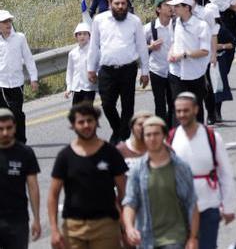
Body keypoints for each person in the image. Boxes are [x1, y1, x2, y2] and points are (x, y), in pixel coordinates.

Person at [48, 103, 128, 249]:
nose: (86, 125)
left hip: (106, 224)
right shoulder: (65, 156)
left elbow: (124, 192)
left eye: (90, 120)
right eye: (81, 122)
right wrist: (54, 230)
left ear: (96, 122)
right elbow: (53, 195)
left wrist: (125, 226)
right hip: (73, 227)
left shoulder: (110, 152)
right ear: (73, 125)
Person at [121, 116, 200, 249]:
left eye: (156, 134)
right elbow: (130, 202)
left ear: (164, 135)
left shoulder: (180, 167)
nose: (152, 138)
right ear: (143, 138)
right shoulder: (137, 169)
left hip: (176, 238)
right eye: (148, 135)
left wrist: (193, 238)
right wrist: (129, 228)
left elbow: (192, 203)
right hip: (147, 240)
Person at [169, 94, 236, 249]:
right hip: (180, 208)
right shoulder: (172, 137)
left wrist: (228, 206)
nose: (182, 115)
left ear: (196, 110)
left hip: (209, 205)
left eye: (186, 110)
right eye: (178, 111)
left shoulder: (212, 136)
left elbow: (225, 173)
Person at [87, 0, 149, 144]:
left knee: (128, 106)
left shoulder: (134, 21)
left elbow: (142, 47)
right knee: (107, 105)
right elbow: (94, 46)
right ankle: (118, 130)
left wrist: (145, 71)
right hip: (107, 70)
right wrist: (91, 68)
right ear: (110, 4)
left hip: (128, 69)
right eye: (117, 4)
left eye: (123, 4)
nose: (121, 7)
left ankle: (123, 136)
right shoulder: (99, 20)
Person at [168, 0, 213, 126]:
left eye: (177, 6)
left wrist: (184, 55)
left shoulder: (201, 26)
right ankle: (177, 139)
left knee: (195, 107)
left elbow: (205, 51)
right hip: (176, 72)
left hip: (195, 73)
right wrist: (171, 53)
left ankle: (198, 137)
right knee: (178, 106)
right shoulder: (174, 22)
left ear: (187, 7)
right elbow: (173, 41)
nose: (173, 9)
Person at [0, 107, 41, 249]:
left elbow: (33, 187)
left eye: (8, 128)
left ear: (15, 127)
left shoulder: (25, 153)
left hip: (17, 220)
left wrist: (36, 218)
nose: (5, 133)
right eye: (1, 129)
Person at [145, 0, 175, 125]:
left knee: (173, 102)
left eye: (172, 4)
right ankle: (162, 131)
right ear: (158, 9)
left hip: (174, 70)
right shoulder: (149, 28)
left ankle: (173, 131)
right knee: (159, 103)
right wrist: (151, 47)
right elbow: (138, 47)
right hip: (157, 70)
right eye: (166, 5)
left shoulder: (177, 25)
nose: (170, 7)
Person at [64, 22, 96, 106]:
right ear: (76, 36)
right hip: (77, 88)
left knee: (87, 111)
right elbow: (70, 71)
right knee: (76, 112)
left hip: (89, 87)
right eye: (79, 34)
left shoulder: (93, 51)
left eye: (85, 34)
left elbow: (98, 66)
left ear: (89, 35)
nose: (82, 36)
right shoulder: (72, 53)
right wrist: (69, 87)